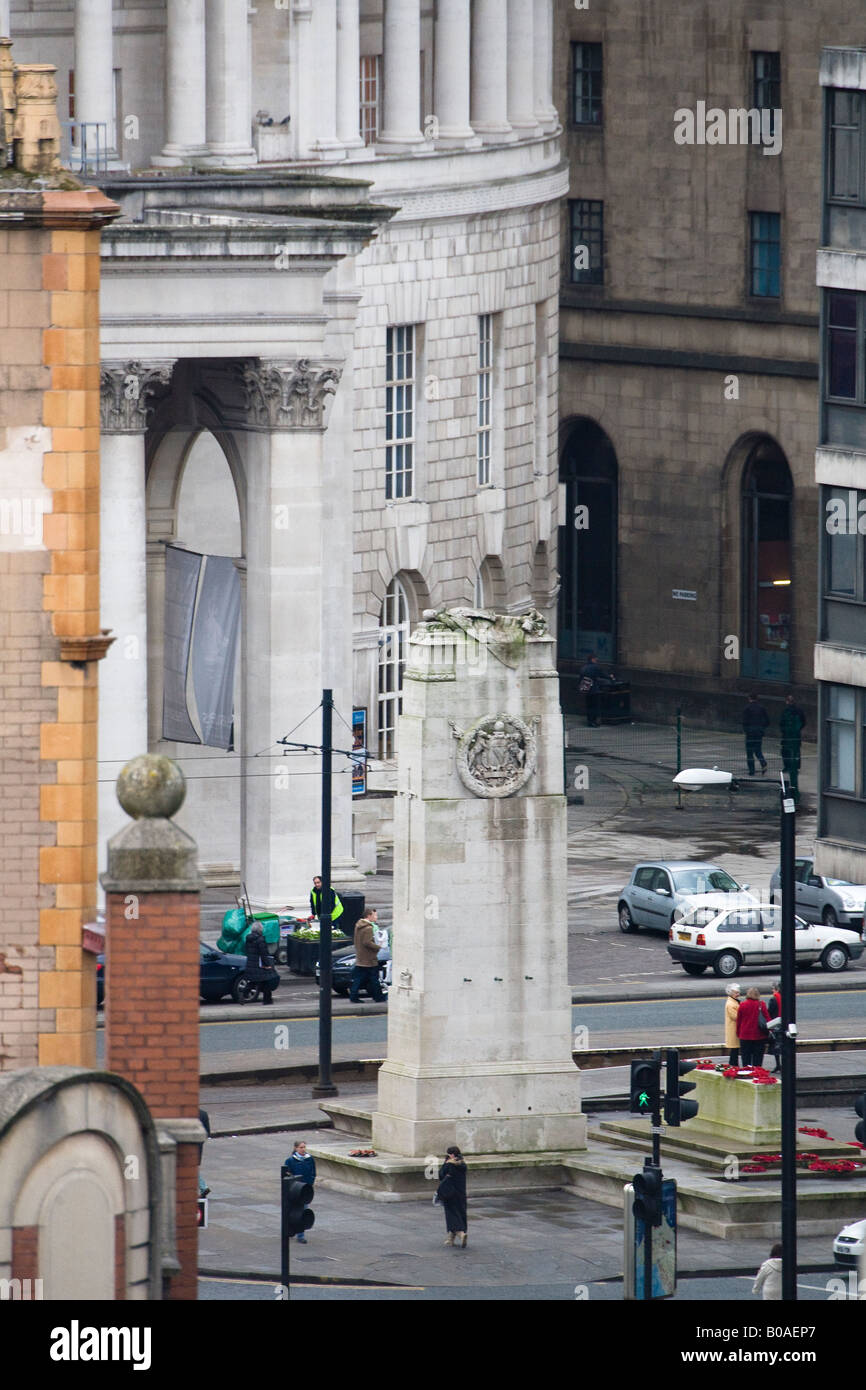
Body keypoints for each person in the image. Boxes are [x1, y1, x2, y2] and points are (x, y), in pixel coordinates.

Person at [350, 906, 386, 1003]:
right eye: (375, 915)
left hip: (361, 957)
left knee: (359, 978)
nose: (376, 917)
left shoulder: (359, 925)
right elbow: (367, 942)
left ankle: (353, 996)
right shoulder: (368, 928)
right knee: (374, 979)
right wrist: (379, 947)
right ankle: (378, 997)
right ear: (369, 915)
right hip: (369, 958)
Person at [436, 1146, 468, 1248]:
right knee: (460, 1212)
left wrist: (446, 1163)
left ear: (452, 1154)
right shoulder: (463, 1164)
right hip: (461, 1193)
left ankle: (460, 1234)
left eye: (448, 1154)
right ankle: (451, 1239)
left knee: (451, 1214)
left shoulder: (449, 1164)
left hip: (450, 1193)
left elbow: (441, 1175)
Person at [285, 1140, 316, 1244]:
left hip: (305, 1190)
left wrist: (310, 1183)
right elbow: (287, 1175)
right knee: (291, 1211)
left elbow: (313, 1172)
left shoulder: (309, 1159)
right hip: (294, 1189)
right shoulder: (290, 1161)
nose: (303, 1149)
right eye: (301, 1147)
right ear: (296, 1148)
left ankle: (300, 1235)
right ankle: (289, 1229)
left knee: (302, 1211)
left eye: (304, 1147)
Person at [243, 922, 279, 1005]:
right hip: (260, 964)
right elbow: (264, 953)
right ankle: (267, 1000)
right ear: (260, 930)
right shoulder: (260, 940)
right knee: (267, 981)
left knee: (253, 981)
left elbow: (247, 950)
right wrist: (268, 964)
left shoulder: (248, 939)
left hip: (251, 963)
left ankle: (243, 994)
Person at [779, 694, 806, 802]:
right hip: (795, 738)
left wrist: (785, 731)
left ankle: (787, 766)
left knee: (785, 752)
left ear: (787, 701)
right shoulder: (799, 711)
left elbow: (781, 724)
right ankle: (796, 766)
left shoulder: (786, 712)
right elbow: (803, 722)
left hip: (788, 737)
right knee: (796, 753)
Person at [737, 985, 770, 1067]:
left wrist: (738, 1033)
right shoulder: (761, 1004)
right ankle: (757, 1075)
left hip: (745, 1035)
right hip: (759, 1036)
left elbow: (739, 1021)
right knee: (758, 1059)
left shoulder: (742, 1005)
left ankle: (747, 1075)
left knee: (746, 1059)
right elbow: (767, 1019)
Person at [742, 694, 769, 775]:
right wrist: (761, 728)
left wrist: (746, 730)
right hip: (759, 733)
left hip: (750, 733)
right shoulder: (762, 708)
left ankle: (751, 771)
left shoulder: (747, 708)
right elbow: (767, 721)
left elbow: (744, 722)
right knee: (758, 750)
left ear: (749, 698)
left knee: (749, 752)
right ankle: (763, 763)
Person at [578, 654, 603, 728]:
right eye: (595, 659)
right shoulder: (595, 667)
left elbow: (581, 678)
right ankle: (594, 721)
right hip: (594, 689)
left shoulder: (584, 668)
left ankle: (589, 721)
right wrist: (610, 677)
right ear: (592, 659)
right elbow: (601, 674)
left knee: (589, 706)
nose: (596, 660)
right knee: (595, 706)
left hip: (586, 689)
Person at [766, 980, 783, 1073]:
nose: (772, 991)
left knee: (776, 1047)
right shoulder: (784, 997)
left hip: (776, 1024)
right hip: (783, 1024)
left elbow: (770, 1012)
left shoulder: (773, 999)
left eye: (773, 989)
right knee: (782, 1045)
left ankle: (778, 1065)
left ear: (776, 989)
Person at [724, 983, 741, 1066]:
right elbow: (735, 1017)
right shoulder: (731, 1004)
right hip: (733, 1029)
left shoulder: (733, 1001)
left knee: (735, 1049)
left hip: (734, 1028)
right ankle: (733, 1064)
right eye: (736, 993)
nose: (738, 994)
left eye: (738, 992)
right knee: (734, 1049)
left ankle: (734, 1064)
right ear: (731, 993)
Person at [198, 1107, 211, 1199]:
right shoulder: (203, 1114)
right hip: (198, 1145)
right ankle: (203, 1187)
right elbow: (207, 1132)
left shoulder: (186, 1113)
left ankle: (203, 1187)